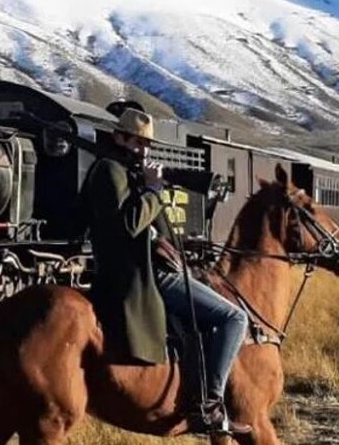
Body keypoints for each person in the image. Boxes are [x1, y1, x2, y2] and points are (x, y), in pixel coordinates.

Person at [81, 108, 251, 436]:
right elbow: (128, 225)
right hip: (140, 274)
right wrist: (153, 191)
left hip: (147, 264)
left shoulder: (124, 170)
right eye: (137, 142)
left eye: (148, 144)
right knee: (235, 319)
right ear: (119, 136)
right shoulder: (110, 171)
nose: (144, 149)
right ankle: (210, 405)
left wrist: (163, 239)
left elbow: (141, 227)